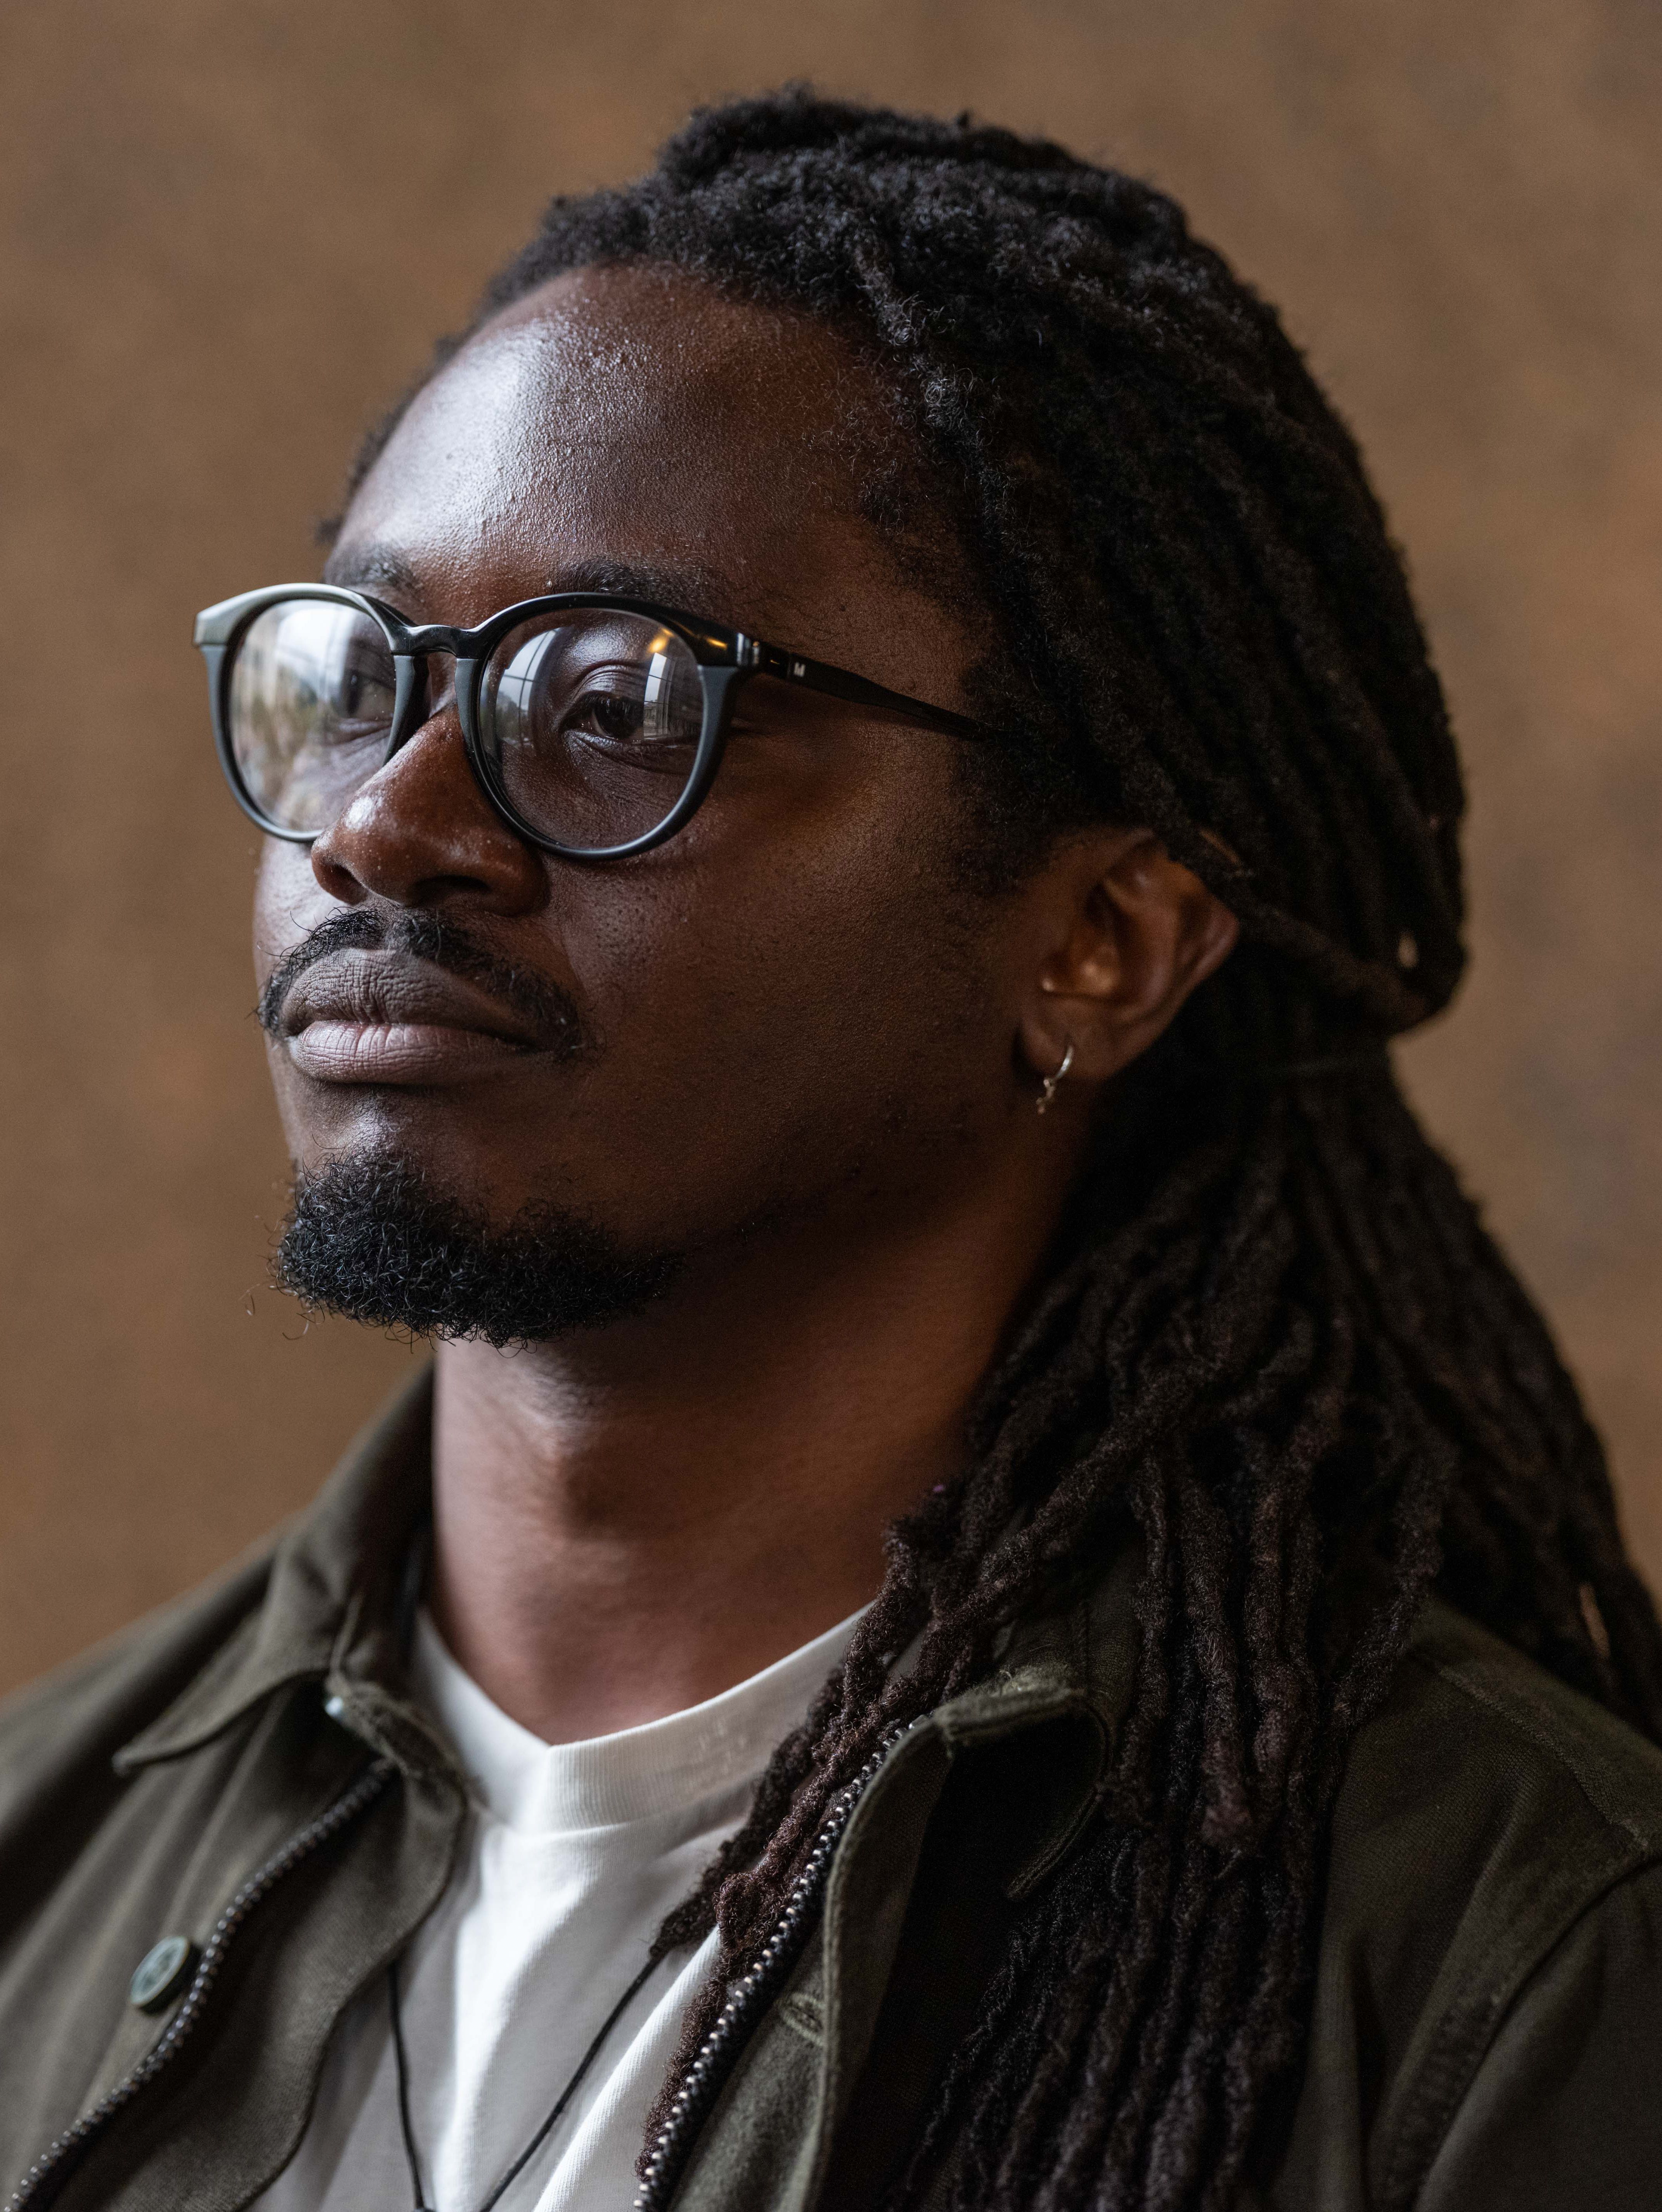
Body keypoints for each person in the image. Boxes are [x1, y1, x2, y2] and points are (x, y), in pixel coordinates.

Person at [2, 89, 1659, 2212]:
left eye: (616, 707)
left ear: (1101, 939)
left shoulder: (1508, 1974)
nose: (384, 826)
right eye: (357, 681)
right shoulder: (42, 1861)